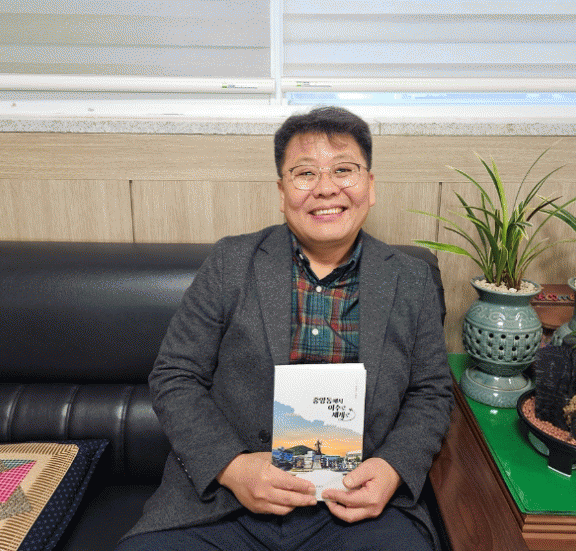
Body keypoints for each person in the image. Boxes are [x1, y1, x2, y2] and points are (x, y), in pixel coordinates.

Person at [116, 106, 454, 551]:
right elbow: (174, 376)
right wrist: (233, 468)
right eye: (305, 173)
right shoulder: (231, 262)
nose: (326, 188)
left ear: (370, 186)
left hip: (356, 508)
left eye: (344, 170)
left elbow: (431, 391)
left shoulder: (411, 280)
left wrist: (392, 468)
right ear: (282, 192)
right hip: (224, 504)